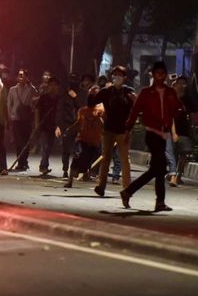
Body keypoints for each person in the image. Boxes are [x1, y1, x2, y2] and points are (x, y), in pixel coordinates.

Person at [120, 62, 182, 211]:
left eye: (163, 73)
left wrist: (178, 96)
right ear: (153, 75)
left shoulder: (170, 92)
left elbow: (178, 108)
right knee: (159, 168)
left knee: (158, 169)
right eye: (157, 73)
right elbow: (135, 111)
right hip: (152, 132)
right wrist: (128, 130)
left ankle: (154, 200)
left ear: (166, 75)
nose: (160, 76)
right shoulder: (146, 92)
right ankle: (131, 192)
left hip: (164, 133)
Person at [92, 66, 135, 197]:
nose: (117, 77)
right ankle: (101, 185)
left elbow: (137, 109)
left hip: (123, 130)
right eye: (115, 75)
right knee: (105, 158)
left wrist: (135, 100)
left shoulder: (129, 92)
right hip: (108, 129)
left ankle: (127, 189)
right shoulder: (106, 91)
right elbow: (92, 103)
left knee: (124, 160)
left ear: (125, 78)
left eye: (120, 75)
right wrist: (92, 94)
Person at [63, 87, 103, 188]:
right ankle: (70, 181)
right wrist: (69, 130)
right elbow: (78, 123)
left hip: (94, 142)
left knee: (86, 161)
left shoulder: (99, 111)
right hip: (82, 140)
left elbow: (103, 124)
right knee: (77, 156)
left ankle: (84, 173)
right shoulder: (82, 111)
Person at [56, 73, 86, 178]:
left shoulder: (81, 94)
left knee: (78, 150)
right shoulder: (64, 95)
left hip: (78, 125)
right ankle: (65, 169)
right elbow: (59, 111)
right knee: (66, 149)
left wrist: (76, 97)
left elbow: (83, 108)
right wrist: (58, 126)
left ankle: (75, 170)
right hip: (67, 125)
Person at [7, 69, 37, 171]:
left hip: (27, 119)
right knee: (18, 142)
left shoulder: (31, 89)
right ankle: (21, 162)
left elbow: (36, 100)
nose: (21, 77)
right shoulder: (12, 90)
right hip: (16, 119)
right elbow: (9, 104)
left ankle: (24, 161)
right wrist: (10, 117)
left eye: (23, 75)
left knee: (26, 141)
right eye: (19, 75)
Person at [168, 75, 194, 187]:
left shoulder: (188, 100)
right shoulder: (170, 98)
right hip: (171, 130)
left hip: (184, 131)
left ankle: (178, 175)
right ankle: (172, 174)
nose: (182, 85)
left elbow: (193, 114)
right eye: (180, 83)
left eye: (184, 83)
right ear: (176, 84)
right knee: (172, 154)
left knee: (183, 154)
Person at [36, 77, 60, 175]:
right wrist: (37, 123)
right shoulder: (43, 97)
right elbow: (37, 110)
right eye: (51, 85)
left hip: (54, 127)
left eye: (55, 85)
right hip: (44, 126)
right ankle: (43, 166)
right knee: (45, 146)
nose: (53, 87)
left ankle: (44, 165)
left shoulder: (59, 99)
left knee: (49, 147)